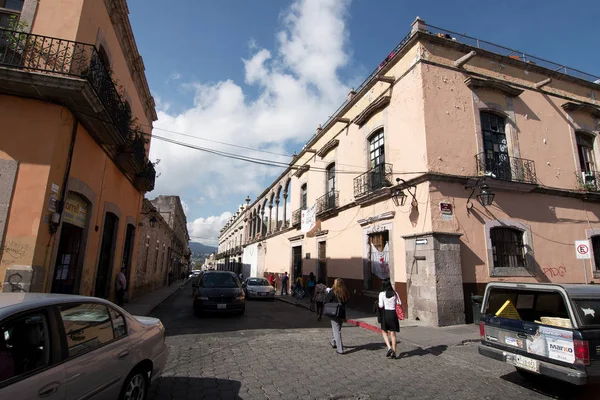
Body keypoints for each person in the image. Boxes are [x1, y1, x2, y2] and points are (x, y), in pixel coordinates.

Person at [324, 278, 349, 355]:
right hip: (342, 313)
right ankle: (333, 342)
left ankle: (340, 349)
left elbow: (326, 300)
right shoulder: (345, 292)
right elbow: (346, 301)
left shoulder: (333, 291)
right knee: (337, 329)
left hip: (334, 313)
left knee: (337, 330)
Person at [378, 279, 401, 359]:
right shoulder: (395, 293)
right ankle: (394, 352)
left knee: (384, 331)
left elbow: (381, 305)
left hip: (385, 314)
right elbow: (399, 303)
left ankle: (389, 348)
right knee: (393, 334)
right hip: (393, 314)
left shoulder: (382, 294)